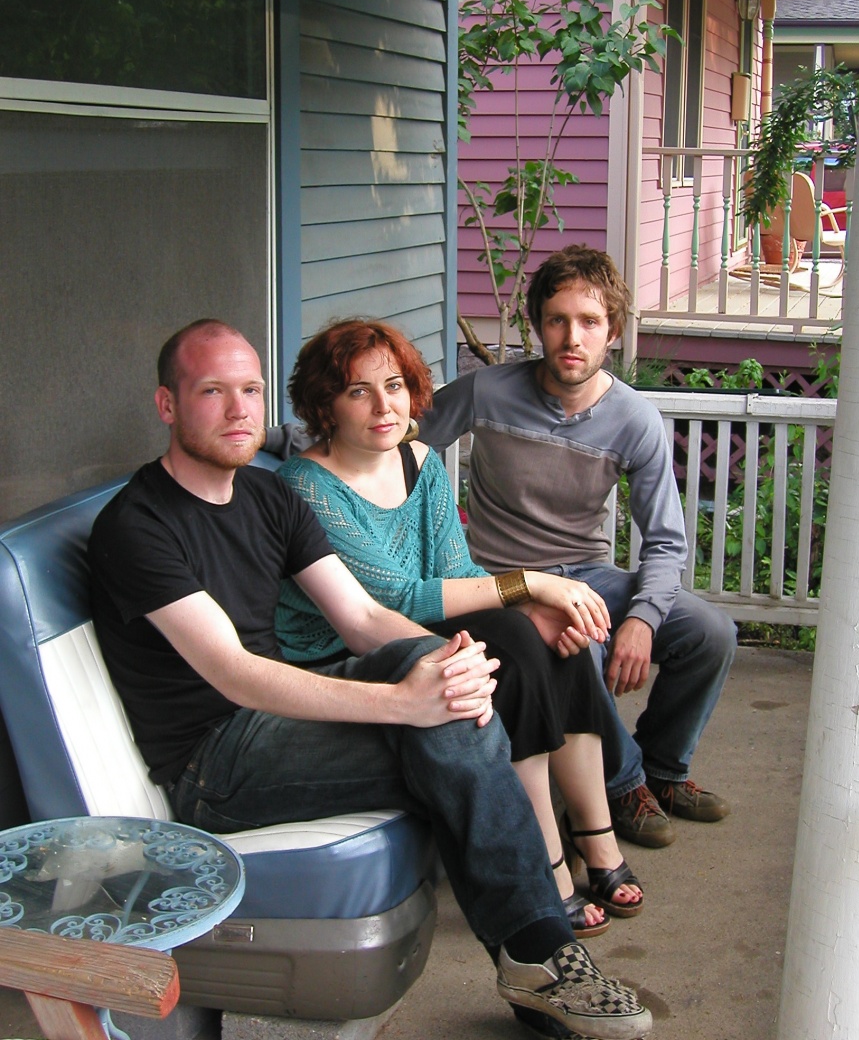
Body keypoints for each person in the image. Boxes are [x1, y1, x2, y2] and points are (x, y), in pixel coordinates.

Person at [87, 319, 652, 1040]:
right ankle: (539, 954)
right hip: (214, 762)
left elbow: (359, 618)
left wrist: (452, 667)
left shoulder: (266, 499)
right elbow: (235, 673)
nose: (237, 410)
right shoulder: (139, 526)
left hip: (278, 721)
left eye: (250, 391)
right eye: (212, 392)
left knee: (444, 684)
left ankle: (536, 951)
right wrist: (402, 702)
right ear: (168, 406)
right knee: (436, 712)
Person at [273, 319, 644, 936]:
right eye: (358, 392)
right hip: (346, 656)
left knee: (555, 634)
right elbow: (392, 596)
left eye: (393, 385)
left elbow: (455, 573)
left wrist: (532, 608)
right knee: (521, 643)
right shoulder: (305, 488)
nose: (384, 405)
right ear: (325, 406)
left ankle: (596, 834)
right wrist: (529, 584)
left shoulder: (419, 462)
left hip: (413, 630)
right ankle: (546, 862)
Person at [418, 246, 738, 849]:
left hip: (589, 574)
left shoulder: (634, 419)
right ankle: (622, 786)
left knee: (709, 632)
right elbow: (396, 433)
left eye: (590, 322)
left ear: (612, 331)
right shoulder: (486, 392)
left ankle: (665, 772)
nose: (572, 337)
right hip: (506, 581)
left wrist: (643, 619)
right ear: (537, 325)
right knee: (578, 644)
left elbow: (666, 542)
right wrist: (280, 435)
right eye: (557, 319)